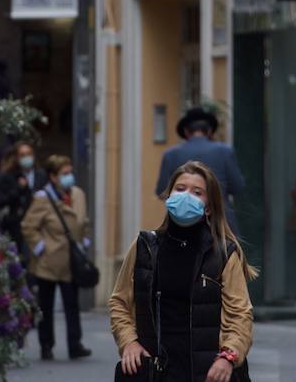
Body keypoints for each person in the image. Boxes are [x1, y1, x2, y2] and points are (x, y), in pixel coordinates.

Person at [110, 160, 257, 382]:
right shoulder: (145, 247)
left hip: (208, 372)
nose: (186, 196)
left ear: (208, 206)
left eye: (197, 192)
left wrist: (228, 356)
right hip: (157, 372)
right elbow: (119, 302)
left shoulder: (224, 253)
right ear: (169, 196)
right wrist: (128, 341)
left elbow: (240, 314)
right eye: (180, 189)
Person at [21, 153, 92, 361]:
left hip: (71, 259)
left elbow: (83, 221)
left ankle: (75, 344)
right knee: (46, 305)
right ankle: (46, 345)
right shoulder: (43, 198)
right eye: (64, 174)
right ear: (53, 177)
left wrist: (84, 240)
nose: (69, 177)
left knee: (72, 303)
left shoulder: (78, 194)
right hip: (48, 261)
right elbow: (28, 226)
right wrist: (40, 247)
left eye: (70, 173)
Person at [156, 106, 246, 231]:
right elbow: (237, 186)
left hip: (180, 226)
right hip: (220, 224)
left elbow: (161, 191)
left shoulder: (171, 154)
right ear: (209, 131)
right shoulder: (224, 152)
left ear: (186, 131)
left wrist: (181, 200)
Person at [0, 141, 45, 259]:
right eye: (22, 155)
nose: (27, 158)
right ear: (16, 158)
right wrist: (18, 189)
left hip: (39, 228)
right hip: (15, 228)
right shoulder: (8, 176)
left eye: (29, 154)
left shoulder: (41, 175)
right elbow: (0, 201)